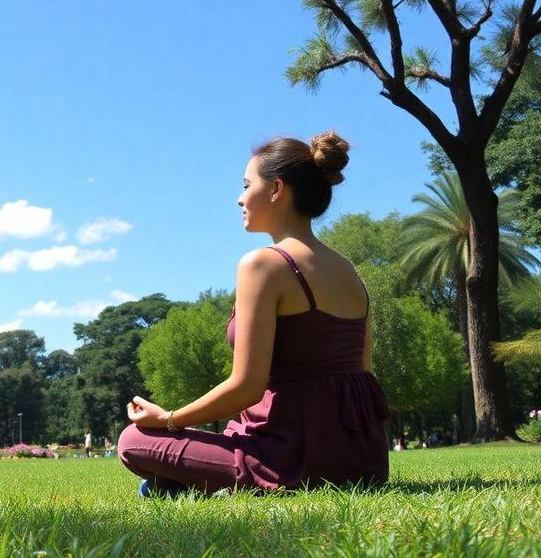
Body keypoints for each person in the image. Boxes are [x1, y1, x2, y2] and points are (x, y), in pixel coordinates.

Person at [118, 132, 390, 496]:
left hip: (292, 459)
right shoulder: (348, 272)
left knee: (133, 440)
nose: (240, 198)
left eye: (247, 185)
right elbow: (363, 374)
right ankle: (197, 487)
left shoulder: (264, 264)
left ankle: (213, 484)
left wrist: (168, 419)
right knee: (169, 465)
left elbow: (247, 387)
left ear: (276, 188)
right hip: (364, 464)